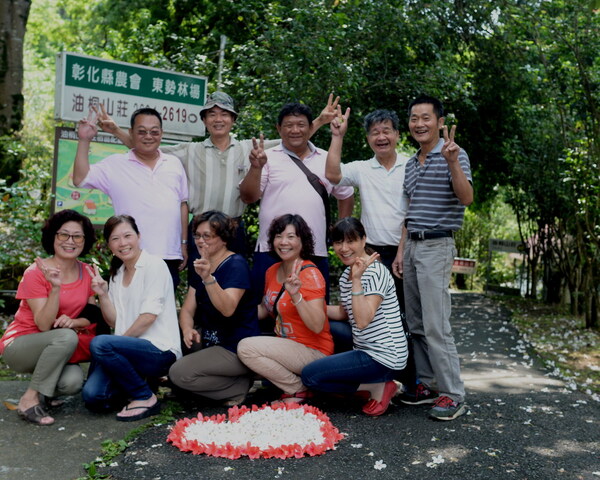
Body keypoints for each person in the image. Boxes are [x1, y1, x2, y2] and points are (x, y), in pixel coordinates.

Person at [96, 92, 342, 262]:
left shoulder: (250, 148)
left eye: (224, 114)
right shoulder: (190, 150)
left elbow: (294, 137)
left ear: (233, 119)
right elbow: (145, 146)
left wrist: (320, 121)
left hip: (234, 228)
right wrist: (116, 130)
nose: (218, 119)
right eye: (211, 114)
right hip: (199, 229)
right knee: (198, 282)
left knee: (234, 284)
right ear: (204, 120)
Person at [392, 95, 473, 421]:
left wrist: (452, 162)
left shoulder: (455, 154)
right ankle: (426, 385)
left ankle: (453, 394)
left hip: (437, 246)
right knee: (416, 323)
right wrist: (401, 251)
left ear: (439, 122)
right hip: (412, 246)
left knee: (436, 325)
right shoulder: (411, 163)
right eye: (414, 118)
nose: (419, 124)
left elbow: (466, 198)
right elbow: (409, 213)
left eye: (426, 118)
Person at [239, 102, 354, 302]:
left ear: (311, 127)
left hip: (314, 252)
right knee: (265, 310)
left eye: (301, 125)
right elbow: (248, 197)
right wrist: (256, 167)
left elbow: (345, 194)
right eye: (288, 125)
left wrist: (340, 231)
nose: (295, 130)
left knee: (314, 310)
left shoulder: (327, 158)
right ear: (278, 129)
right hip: (271, 250)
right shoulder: (268, 158)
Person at [302, 218, 408, 416]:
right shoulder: (346, 275)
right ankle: (370, 384)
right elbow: (344, 313)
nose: (344, 248)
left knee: (311, 377)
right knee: (331, 326)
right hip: (365, 348)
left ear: (364, 240)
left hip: (384, 356)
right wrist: (306, 305)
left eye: (350, 241)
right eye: (338, 242)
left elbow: (362, 320)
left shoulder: (376, 272)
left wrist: (357, 280)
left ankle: (377, 388)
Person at [73, 107, 189, 290]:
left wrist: (183, 243)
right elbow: (80, 179)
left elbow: (182, 204)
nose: (148, 136)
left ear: (161, 134)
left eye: (154, 132)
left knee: (162, 315)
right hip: (129, 255)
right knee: (128, 314)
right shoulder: (115, 164)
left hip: (168, 256)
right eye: (141, 131)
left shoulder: (173, 164)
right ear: (131, 133)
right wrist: (84, 139)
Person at [0, 210, 97, 425]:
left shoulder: (87, 271)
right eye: (64, 235)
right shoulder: (36, 272)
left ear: (85, 240)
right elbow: (43, 325)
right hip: (21, 345)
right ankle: (30, 398)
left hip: (58, 344)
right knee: (66, 337)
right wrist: (55, 288)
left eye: (77, 236)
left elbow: (90, 314)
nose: (70, 241)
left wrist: (75, 322)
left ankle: (47, 394)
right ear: (53, 237)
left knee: (72, 383)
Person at [83, 215, 182, 421]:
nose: (123, 243)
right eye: (115, 239)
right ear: (109, 245)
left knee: (100, 343)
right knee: (93, 396)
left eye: (127, 236)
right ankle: (143, 382)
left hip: (159, 350)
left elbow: (148, 317)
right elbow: (113, 322)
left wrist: (116, 346)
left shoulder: (155, 265)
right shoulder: (117, 274)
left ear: (138, 237)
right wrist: (102, 294)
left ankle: (144, 396)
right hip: (128, 351)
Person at [237, 214, 334, 404]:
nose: (283, 242)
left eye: (291, 237)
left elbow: (316, 325)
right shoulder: (272, 271)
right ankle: (295, 387)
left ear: (302, 241)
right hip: (287, 346)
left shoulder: (310, 273)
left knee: (247, 348)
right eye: (279, 236)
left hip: (313, 350)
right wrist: (233, 315)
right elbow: (266, 309)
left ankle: (297, 389)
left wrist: (296, 295)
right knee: (240, 341)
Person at [168, 211, 260, 406]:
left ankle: (237, 388)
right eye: (197, 236)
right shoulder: (201, 263)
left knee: (178, 374)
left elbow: (227, 308)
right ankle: (221, 385)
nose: (200, 241)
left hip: (234, 346)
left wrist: (208, 278)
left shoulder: (236, 265)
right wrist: (187, 329)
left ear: (224, 238)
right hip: (210, 340)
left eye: (207, 236)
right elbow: (187, 310)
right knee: (173, 356)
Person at [325, 108, 407, 311]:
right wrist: (337, 136)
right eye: (375, 132)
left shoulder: (411, 166)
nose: (381, 137)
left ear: (397, 134)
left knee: (405, 311)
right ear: (368, 138)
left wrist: (403, 251)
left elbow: (414, 213)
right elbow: (332, 175)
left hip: (405, 252)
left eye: (386, 131)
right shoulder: (362, 168)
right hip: (371, 253)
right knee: (369, 311)